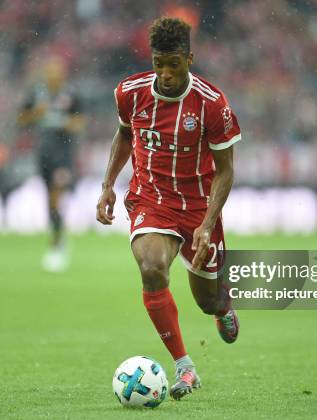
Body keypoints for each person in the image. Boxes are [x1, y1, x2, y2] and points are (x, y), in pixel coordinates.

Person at [96, 17, 241, 400]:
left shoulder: (212, 104)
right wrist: (109, 184)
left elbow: (225, 171)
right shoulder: (131, 92)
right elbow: (125, 134)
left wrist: (209, 223)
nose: (165, 73)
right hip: (151, 198)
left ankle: (222, 305)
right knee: (151, 267)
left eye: (174, 63)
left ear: (189, 59)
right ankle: (185, 366)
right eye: (159, 62)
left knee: (206, 298)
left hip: (197, 205)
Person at [18, 57, 84, 273]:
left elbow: (80, 122)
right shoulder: (37, 94)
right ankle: (59, 234)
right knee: (50, 199)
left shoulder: (70, 94)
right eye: (49, 73)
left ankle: (56, 243)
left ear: (62, 75)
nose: (53, 77)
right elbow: (21, 119)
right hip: (44, 153)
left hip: (63, 153)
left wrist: (64, 122)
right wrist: (35, 113)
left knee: (56, 195)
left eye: (56, 73)